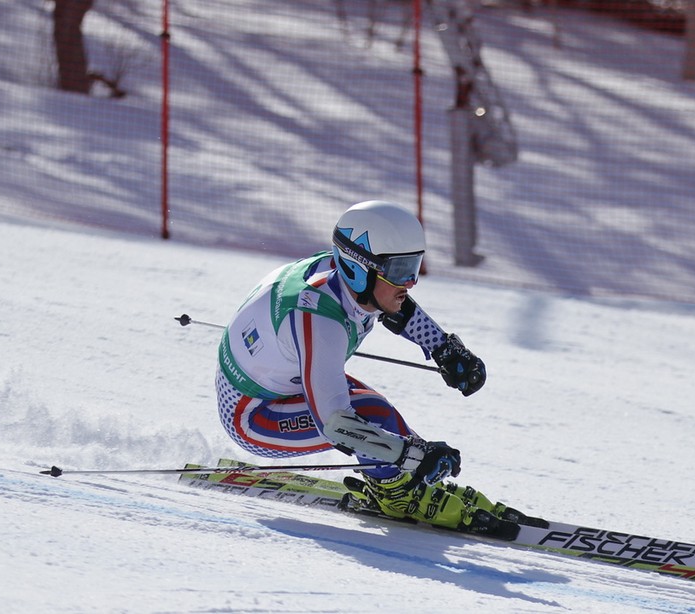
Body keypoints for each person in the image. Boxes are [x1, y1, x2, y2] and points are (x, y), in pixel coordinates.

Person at [215, 200, 521, 535]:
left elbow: (396, 307)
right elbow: (337, 426)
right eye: (399, 271)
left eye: (414, 267)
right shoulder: (319, 320)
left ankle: (408, 482)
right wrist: (415, 455)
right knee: (370, 412)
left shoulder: (347, 281)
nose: (410, 283)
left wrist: (443, 348)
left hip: (282, 385)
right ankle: (398, 495)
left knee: (378, 411)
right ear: (358, 268)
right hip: (253, 416)